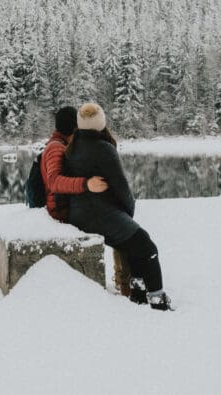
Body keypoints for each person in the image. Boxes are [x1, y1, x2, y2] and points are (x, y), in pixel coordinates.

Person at [64, 102, 174, 311]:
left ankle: (139, 294)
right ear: (101, 123)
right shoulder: (103, 148)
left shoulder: (72, 148)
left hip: (80, 214)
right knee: (146, 246)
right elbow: (122, 189)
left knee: (132, 244)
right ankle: (158, 300)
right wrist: (128, 214)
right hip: (98, 214)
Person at [40, 106, 108, 222]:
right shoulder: (56, 148)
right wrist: (86, 184)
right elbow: (54, 181)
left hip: (64, 207)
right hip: (60, 212)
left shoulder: (61, 144)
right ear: (74, 128)